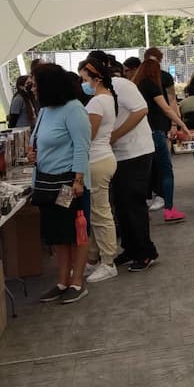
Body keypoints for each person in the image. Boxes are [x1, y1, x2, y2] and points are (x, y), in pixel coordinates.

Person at [87, 50, 159, 272]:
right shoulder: (100, 92)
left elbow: (141, 110)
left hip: (136, 151)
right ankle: (130, 248)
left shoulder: (121, 85)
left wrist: (115, 135)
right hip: (116, 154)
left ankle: (145, 252)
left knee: (133, 203)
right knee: (121, 204)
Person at [31, 63, 92, 304]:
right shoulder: (45, 111)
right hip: (47, 183)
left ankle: (77, 281)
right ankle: (62, 281)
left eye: (36, 84)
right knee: (57, 234)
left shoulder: (74, 109)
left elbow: (81, 146)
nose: (33, 88)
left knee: (75, 231)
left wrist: (79, 179)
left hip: (67, 184)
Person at [132, 57, 191, 222]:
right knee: (166, 170)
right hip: (156, 133)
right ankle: (169, 209)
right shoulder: (152, 86)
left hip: (139, 135)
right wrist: (182, 125)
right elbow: (166, 108)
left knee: (145, 173)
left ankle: (142, 210)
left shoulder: (135, 86)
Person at [79, 60, 119, 284]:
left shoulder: (97, 102)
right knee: (96, 213)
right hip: (101, 158)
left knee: (100, 214)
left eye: (84, 79)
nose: (83, 83)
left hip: (97, 160)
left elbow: (89, 135)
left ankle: (108, 262)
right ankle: (95, 258)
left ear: (97, 79)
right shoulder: (107, 99)